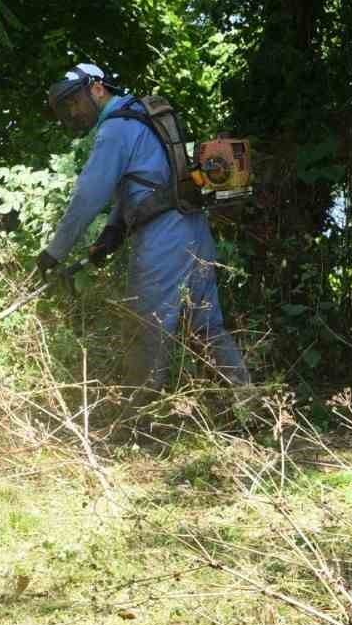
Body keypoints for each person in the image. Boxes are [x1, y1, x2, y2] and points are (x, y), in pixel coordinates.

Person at [37, 63, 251, 395]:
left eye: (74, 101)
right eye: (66, 107)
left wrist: (55, 252)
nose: (73, 110)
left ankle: (139, 421)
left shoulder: (116, 129)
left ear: (98, 89)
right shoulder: (142, 116)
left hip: (163, 239)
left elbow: (87, 197)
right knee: (206, 327)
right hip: (193, 228)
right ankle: (248, 405)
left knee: (144, 328)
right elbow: (146, 181)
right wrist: (112, 232)